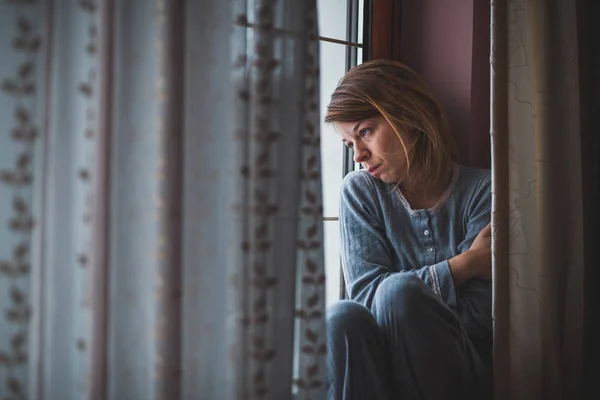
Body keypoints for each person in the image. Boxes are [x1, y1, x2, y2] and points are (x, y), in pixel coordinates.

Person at [325, 59, 492, 399]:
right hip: (377, 377)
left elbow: (480, 318)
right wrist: (465, 264)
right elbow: (366, 299)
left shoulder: (482, 191)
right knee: (340, 316)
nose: (359, 154)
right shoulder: (360, 191)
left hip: (456, 371)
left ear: (409, 116)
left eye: (365, 132)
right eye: (349, 144)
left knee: (398, 292)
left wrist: (409, 297)